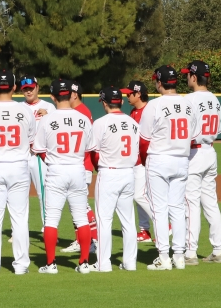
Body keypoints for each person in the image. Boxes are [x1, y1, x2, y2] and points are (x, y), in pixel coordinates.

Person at [137, 65, 197, 271]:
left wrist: (144, 161)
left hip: (159, 159)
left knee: (160, 209)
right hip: (181, 159)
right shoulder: (188, 104)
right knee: (178, 208)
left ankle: (163, 257)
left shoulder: (154, 105)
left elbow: (144, 141)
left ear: (159, 82)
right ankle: (179, 256)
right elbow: (193, 136)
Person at [32, 79, 94, 274]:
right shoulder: (83, 118)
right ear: (71, 94)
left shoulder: (47, 119)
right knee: (81, 218)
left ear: (52, 96)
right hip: (77, 169)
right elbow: (90, 149)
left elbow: (38, 150)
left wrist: (51, 160)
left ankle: (51, 264)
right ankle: (84, 263)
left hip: (56, 170)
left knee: (51, 220)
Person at [0, 70, 35, 274]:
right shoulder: (26, 111)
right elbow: (31, 141)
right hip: (19, 166)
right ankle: (21, 265)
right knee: (19, 218)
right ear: (14, 87)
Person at [89, 87, 140, 272]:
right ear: (121, 101)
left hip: (109, 173)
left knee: (104, 220)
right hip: (128, 173)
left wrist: (98, 168)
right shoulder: (133, 123)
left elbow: (93, 152)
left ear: (104, 103)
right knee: (128, 221)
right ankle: (130, 262)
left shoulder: (100, 123)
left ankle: (103, 264)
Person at [181, 60, 221, 265]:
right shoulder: (215, 99)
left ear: (193, 77)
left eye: (187, 74)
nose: (186, 77)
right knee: (210, 203)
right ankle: (218, 250)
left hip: (194, 153)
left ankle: (190, 252)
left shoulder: (189, 100)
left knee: (191, 203)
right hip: (210, 151)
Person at [60, 82, 98, 255]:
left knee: (82, 206)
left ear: (74, 94)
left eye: (68, 93)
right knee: (77, 205)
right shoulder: (80, 111)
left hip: (82, 165)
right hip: (81, 165)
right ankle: (82, 239)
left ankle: (93, 240)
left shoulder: (81, 112)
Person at [19, 76, 55, 228]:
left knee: (43, 194)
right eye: (25, 89)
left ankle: (48, 228)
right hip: (22, 156)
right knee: (19, 195)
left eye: (31, 88)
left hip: (39, 156)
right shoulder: (19, 107)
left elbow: (56, 130)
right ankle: (18, 230)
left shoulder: (49, 107)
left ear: (37, 87)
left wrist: (48, 117)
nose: (28, 91)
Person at [124, 81, 154, 242]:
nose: (127, 95)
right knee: (139, 196)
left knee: (139, 195)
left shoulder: (149, 111)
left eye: (129, 93)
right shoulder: (134, 112)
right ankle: (144, 230)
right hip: (135, 161)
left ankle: (164, 224)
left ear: (138, 94)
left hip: (146, 159)